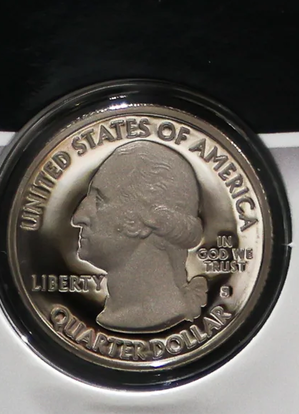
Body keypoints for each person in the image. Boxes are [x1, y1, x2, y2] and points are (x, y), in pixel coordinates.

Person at [70, 141, 208, 331]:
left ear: (143, 220)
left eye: (99, 200)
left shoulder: (159, 314)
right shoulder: (117, 313)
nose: (78, 217)